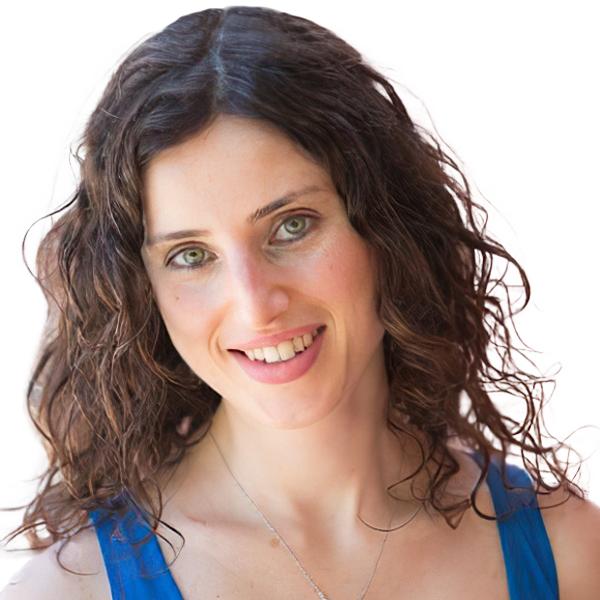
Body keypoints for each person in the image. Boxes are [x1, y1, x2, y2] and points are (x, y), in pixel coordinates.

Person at [1, 6, 599, 599]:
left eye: (292, 226)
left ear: (389, 229)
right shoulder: (66, 592)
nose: (256, 305)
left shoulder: (570, 552)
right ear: (142, 291)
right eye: (191, 255)